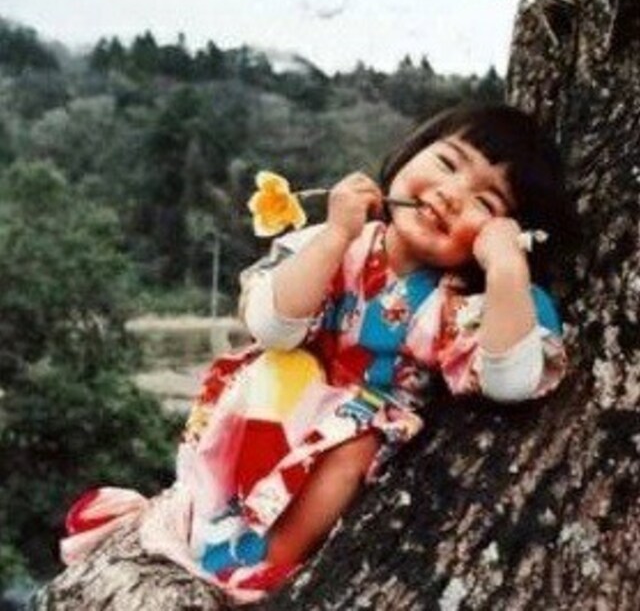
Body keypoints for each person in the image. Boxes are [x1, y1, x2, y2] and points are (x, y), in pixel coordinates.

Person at [60, 104, 575, 605]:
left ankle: (268, 563)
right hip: (281, 397)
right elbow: (271, 325)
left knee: (356, 439)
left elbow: (511, 380)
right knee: (276, 369)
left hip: (357, 432)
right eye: (447, 163)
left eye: (487, 203)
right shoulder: (339, 241)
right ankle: (202, 514)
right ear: (408, 155)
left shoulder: (457, 301)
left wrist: (506, 268)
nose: (452, 194)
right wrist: (335, 235)